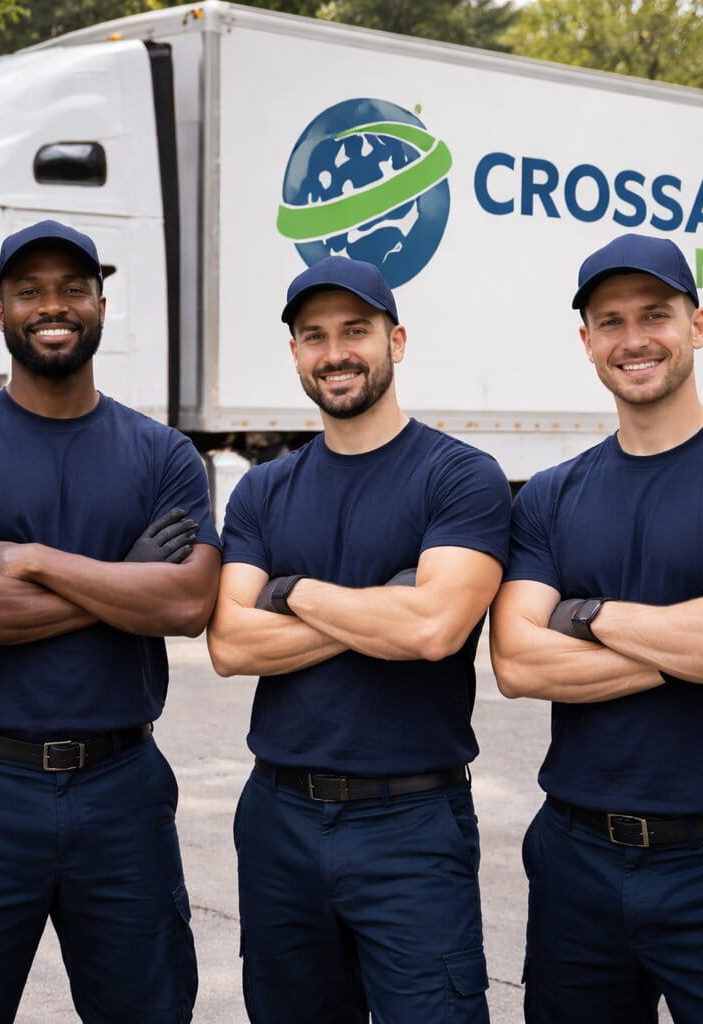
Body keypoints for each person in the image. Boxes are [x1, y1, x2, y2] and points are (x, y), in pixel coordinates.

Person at [489, 233, 703, 1023]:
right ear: (586, 343)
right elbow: (517, 662)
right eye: (609, 321)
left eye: (655, 315)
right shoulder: (549, 495)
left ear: (699, 324)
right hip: (573, 859)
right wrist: (699, 631)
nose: (633, 338)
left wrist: (590, 615)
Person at [0, 220, 220, 1024]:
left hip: (123, 790)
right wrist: (123, 580)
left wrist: (34, 560)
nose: (54, 305)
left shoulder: (164, 454)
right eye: (30, 290)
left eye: (73, 288)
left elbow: (185, 604)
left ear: (101, 305)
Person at [206, 255, 511, 1023]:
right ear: (296, 354)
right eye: (314, 336)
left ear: (396, 340)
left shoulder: (460, 477)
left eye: (355, 331)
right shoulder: (265, 490)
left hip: (409, 823)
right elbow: (231, 644)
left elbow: (436, 628)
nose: (335, 352)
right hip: (278, 819)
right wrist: (388, 607)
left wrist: (294, 592)